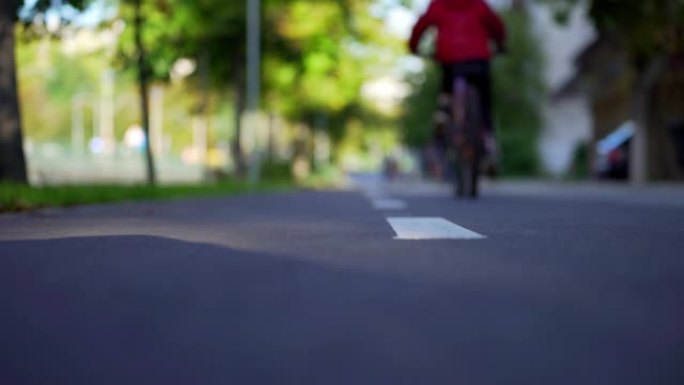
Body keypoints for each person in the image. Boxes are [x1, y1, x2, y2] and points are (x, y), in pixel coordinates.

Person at [408, 0, 506, 175]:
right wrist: (500, 44)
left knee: (446, 89)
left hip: (450, 59)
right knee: (484, 105)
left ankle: (443, 114)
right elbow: (496, 25)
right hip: (479, 61)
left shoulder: (439, 4)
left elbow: (421, 26)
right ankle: (489, 144)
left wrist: (413, 47)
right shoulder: (478, 4)